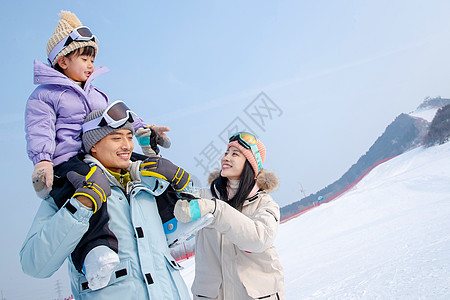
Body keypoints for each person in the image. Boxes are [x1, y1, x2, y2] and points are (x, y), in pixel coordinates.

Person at [24, 11, 172, 290]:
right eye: (84, 58)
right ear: (62, 60)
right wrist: (43, 161)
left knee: (147, 168)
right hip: (67, 163)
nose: (91, 64)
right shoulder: (44, 95)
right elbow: (39, 129)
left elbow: (117, 119)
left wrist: (144, 129)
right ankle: (93, 253)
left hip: (96, 155)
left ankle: (173, 210)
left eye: (93, 58)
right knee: (91, 193)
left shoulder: (97, 95)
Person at [20, 109, 192, 299]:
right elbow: (34, 265)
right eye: (116, 138)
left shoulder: (147, 181)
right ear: (93, 145)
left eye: (129, 137)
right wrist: (81, 204)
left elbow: (186, 226)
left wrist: (180, 183)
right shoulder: (69, 188)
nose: (127, 146)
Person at [174, 132, 285, 300]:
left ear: (250, 164)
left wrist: (217, 209)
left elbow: (258, 239)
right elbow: (166, 199)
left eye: (235, 154)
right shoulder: (204, 198)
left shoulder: (265, 204)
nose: (225, 158)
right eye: (226, 153)